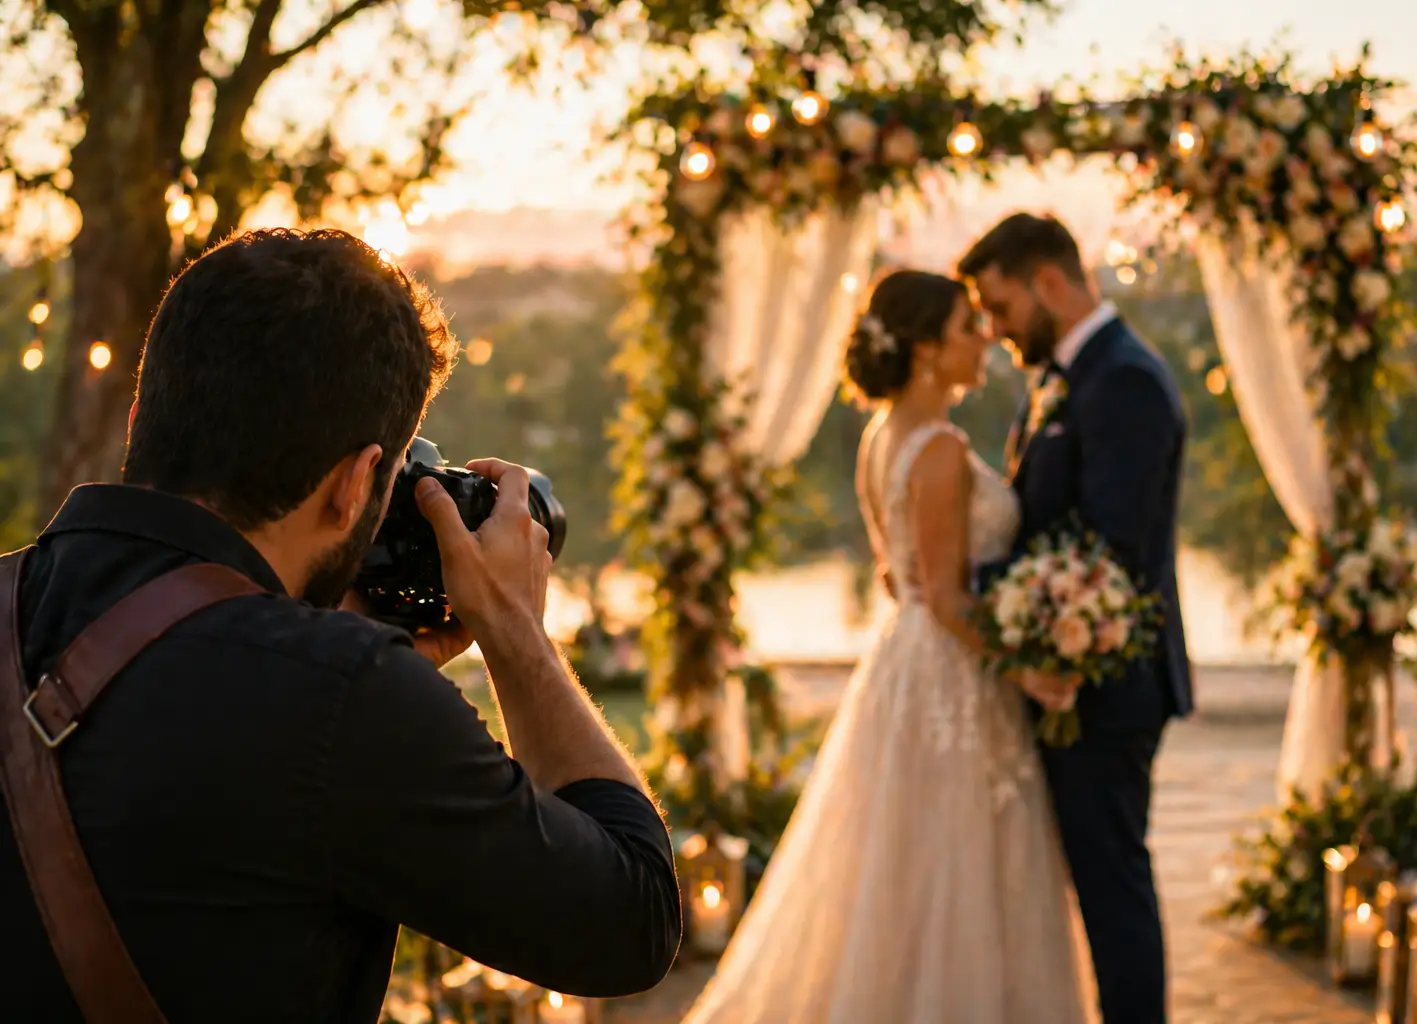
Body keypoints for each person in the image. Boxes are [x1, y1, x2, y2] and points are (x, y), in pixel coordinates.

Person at [1, 229, 680, 1021]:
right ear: (357, 485)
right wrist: (513, 628)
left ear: (143, 415)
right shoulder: (341, 692)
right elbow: (632, 921)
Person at [681, 269, 1095, 1024]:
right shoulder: (937, 446)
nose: (985, 340)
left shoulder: (883, 435)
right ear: (928, 349)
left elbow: (893, 574)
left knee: (899, 866)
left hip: (905, 663)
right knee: (955, 867)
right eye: (969, 327)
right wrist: (1029, 672)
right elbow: (942, 596)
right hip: (948, 674)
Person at [961, 212, 1193, 1024]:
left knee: (1113, 890)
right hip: (1070, 672)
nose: (993, 330)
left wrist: (966, 585)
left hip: (1106, 680)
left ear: (1048, 283)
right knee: (1095, 885)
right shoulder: (1067, 374)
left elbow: (1109, 547)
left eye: (1000, 308)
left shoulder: (1122, 378)